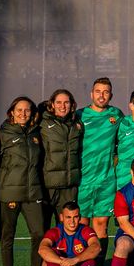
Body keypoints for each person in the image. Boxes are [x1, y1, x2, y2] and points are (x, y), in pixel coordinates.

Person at [76, 77, 124, 266]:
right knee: (81, 226)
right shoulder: (79, 115)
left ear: (111, 95)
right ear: (91, 94)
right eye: (98, 91)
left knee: (101, 226)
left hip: (106, 180)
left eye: (106, 92)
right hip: (83, 181)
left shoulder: (116, 115)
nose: (102, 95)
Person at [0, 96, 47, 266]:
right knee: (7, 237)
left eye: (27, 110)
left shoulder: (36, 132)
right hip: (9, 193)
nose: (23, 113)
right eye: (19, 110)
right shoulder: (2, 133)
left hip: (32, 192)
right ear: (11, 112)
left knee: (39, 234)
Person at [37, 201, 99, 266]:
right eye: (68, 217)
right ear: (61, 217)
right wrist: (64, 263)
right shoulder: (55, 232)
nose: (72, 221)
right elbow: (42, 249)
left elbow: (96, 247)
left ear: (79, 217)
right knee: (49, 256)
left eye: (75, 217)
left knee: (90, 258)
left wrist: (75, 260)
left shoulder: (86, 230)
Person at [39, 88, 83, 228]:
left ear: (72, 105)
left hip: (69, 187)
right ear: (52, 104)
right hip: (48, 186)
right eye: (58, 102)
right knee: (43, 230)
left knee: (67, 229)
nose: (62, 106)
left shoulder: (77, 125)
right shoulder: (42, 123)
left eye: (66, 102)